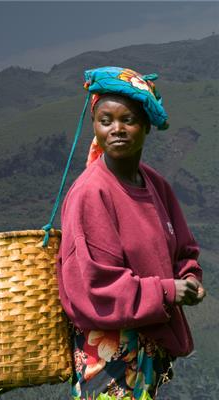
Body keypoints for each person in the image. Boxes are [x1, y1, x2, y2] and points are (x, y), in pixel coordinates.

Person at [55, 66, 206, 400]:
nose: (117, 130)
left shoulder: (156, 185)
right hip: (110, 357)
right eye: (106, 121)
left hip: (150, 350)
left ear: (146, 126)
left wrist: (189, 278)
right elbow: (97, 286)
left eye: (129, 120)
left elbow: (182, 251)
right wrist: (168, 291)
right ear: (94, 127)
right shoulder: (90, 194)